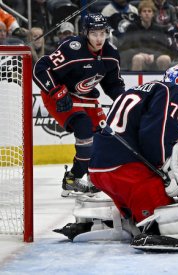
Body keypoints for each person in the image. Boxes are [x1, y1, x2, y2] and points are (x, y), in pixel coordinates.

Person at [54, 65, 178, 251]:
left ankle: (108, 223)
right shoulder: (173, 92)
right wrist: (163, 168)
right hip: (125, 170)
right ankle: (155, 229)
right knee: (170, 213)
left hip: (99, 168)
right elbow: (155, 135)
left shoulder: (136, 90)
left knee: (133, 209)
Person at [33, 13, 126, 197]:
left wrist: (125, 100)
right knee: (83, 126)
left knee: (103, 134)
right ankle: (73, 179)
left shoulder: (111, 54)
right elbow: (40, 68)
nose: (99, 39)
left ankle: (90, 176)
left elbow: (113, 84)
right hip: (59, 94)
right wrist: (57, 92)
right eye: (94, 34)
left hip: (86, 95)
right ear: (85, 33)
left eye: (103, 33)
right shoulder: (72, 48)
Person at [119, 0, 178, 71]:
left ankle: (164, 81)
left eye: (149, 11)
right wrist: (140, 53)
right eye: (144, 11)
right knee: (138, 58)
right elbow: (126, 48)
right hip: (137, 58)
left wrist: (154, 55)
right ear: (140, 14)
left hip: (155, 59)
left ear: (153, 14)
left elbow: (164, 48)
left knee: (165, 58)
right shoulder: (132, 28)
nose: (147, 13)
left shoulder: (159, 29)